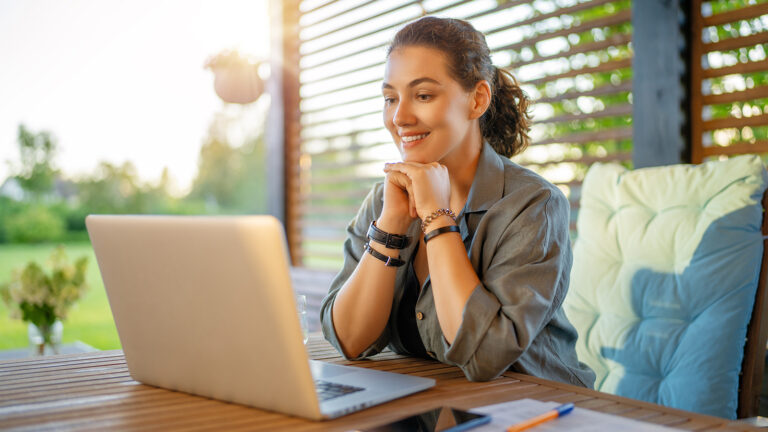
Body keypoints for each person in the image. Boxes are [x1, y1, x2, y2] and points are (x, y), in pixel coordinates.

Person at [319, 16, 595, 387]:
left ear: (477, 100)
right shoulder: (386, 200)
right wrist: (390, 228)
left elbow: (484, 358)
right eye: (390, 98)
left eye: (423, 95)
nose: (399, 117)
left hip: (537, 407)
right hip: (433, 405)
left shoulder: (533, 204)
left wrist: (436, 218)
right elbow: (349, 340)